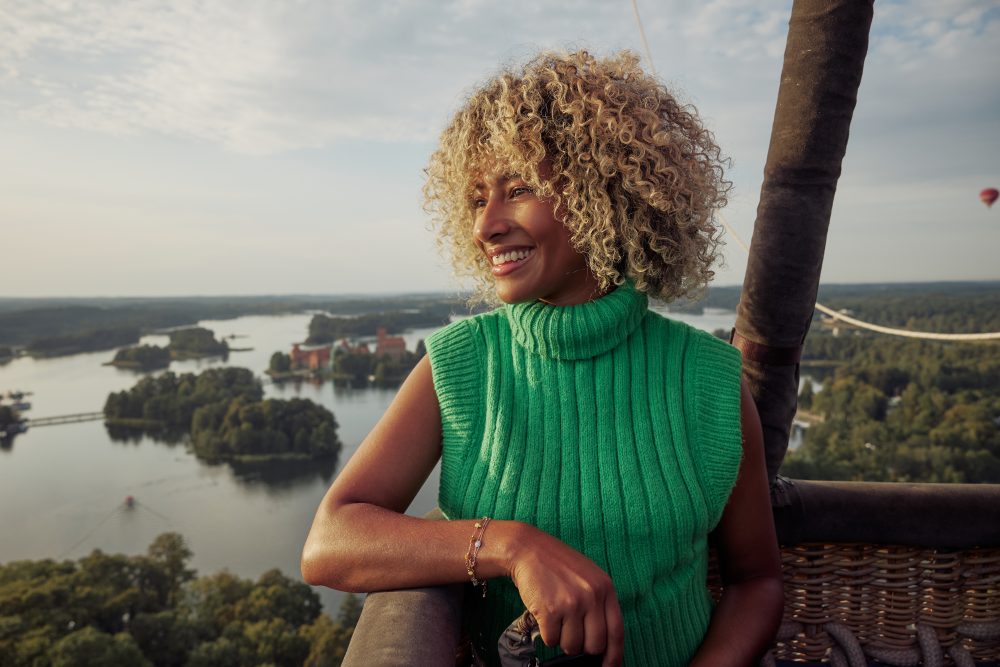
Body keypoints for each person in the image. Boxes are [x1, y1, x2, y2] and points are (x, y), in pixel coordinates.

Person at [302, 50, 783, 667]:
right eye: (477, 199)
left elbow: (756, 582)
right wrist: (510, 545)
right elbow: (330, 542)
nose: (485, 227)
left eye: (518, 189)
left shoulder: (709, 379)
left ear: (602, 192)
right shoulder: (462, 363)